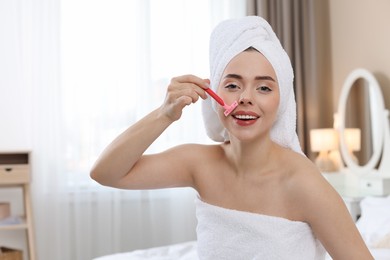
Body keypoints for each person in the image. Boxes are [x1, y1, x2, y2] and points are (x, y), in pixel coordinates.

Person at [91, 16, 373, 259]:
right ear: (213, 95)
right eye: (233, 85)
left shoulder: (304, 184)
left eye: (263, 88)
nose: (245, 98)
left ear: (282, 100)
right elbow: (106, 173)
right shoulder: (198, 164)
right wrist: (164, 114)